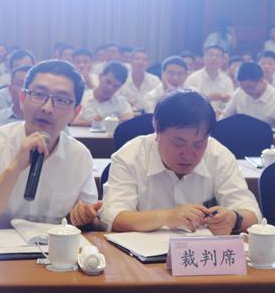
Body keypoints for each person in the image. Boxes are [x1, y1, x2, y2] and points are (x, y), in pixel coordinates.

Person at [0, 60, 101, 229]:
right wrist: (14, 167)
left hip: (52, 245)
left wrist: (85, 216)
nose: (47, 108)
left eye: (61, 100)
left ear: (75, 112)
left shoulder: (79, 156)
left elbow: (89, 216)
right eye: (39, 95)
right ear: (22, 99)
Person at [100, 90, 260, 233]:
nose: (188, 155)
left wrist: (234, 219)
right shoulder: (130, 156)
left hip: (202, 254)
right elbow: (112, 217)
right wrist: (166, 217)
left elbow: (252, 214)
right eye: (178, 142)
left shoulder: (219, 156)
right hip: (141, 255)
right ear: (157, 129)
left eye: (199, 144)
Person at [221, 62, 275, 128]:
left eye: (250, 88)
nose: (246, 91)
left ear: (261, 80)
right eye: (243, 88)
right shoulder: (239, 93)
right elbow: (224, 117)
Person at [75, 62, 133, 126]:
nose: (110, 88)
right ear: (100, 76)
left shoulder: (121, 101)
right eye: (108, 82)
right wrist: (95, 123)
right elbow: (73, 121)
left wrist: (105, 122)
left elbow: (129, 119)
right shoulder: (82, 97)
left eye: (115, 86)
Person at [185, 44, 234, 112]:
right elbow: (191, 102)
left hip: (221, 116)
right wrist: (208, 98)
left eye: (218, 55)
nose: (214, 58)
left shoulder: (227, 80)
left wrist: (226, 101)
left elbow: (230, 103)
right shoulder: (193, 78)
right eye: (210, 54)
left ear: (222, 61)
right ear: (204, 58)